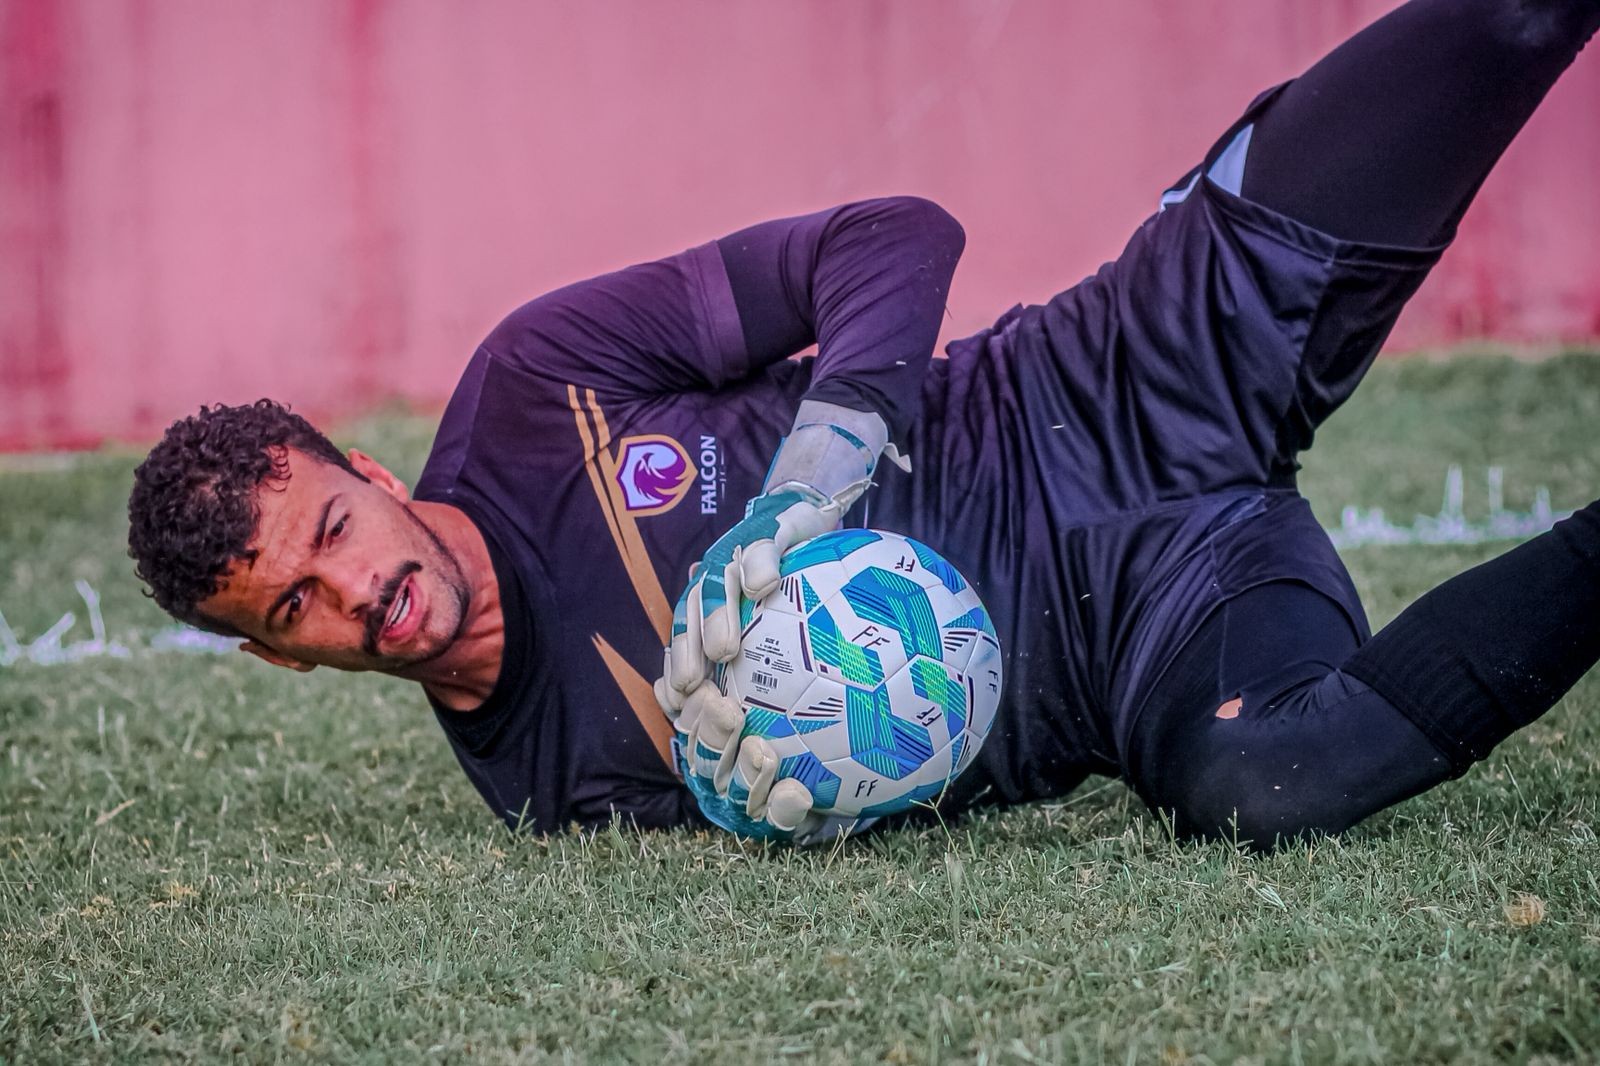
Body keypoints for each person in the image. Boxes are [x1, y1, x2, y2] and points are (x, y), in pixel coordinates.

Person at [128, 0, 1600, 848]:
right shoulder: (555, 792)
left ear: (368, 471)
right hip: (1134, 638)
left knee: (1504, 21)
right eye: (298, 605)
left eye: (329, 528)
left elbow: (892, 237)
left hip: (1120, 373)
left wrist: (810, 480)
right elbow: (848, 791)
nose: (354, 590)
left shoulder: (539, 384)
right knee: (1272, 784)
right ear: (274, 651)